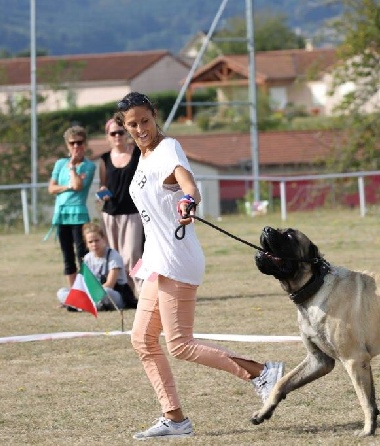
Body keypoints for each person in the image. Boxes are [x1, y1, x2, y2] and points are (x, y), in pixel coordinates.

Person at [115, 91, 284, 440]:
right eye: (132, 125)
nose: (140, 129)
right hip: (157, 263)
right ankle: (174, 418)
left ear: (154, 116)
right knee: (143, 340)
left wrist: (189, 200)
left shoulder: (168, 149)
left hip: (178, 260)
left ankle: (262, 373)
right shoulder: (142, 158)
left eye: (144, 121)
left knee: (180, 344)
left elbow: (188, 183)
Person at [96, 118, 145, 299]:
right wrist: (102, 193)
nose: (117, 136)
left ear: (127, 134)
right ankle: (121, 292)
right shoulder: (104, 159)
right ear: (108, 137)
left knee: (133, 254)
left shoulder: (138, 154)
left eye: (120, 132)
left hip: (133, 212)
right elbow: (102, 185)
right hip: (110, 214)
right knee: (114, 256)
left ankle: (139, 290)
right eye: (113, 133)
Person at [48, 125, 96, 289]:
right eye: (72, 143)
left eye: (79, 142)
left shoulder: (89, 166)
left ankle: (88, 290)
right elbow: (51, 188)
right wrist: (66, 187)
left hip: (79, 216)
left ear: (85, 144)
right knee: (67, 256)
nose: (76, 146)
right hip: (61, 215)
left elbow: (77, 186)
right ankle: (74, 293)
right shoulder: (60, 163)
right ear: (67, 145)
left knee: (83, 256)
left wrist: (73, 167)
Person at [57, 223, 136, 311]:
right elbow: (84, 283)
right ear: (86, 244)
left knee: (106, 292)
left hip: (113, 293)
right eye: (90, 242)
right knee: (62, 292)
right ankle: (87, 304)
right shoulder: (87, 258)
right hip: (92, 294)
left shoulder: (113, 255)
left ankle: (82, 305)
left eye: (97, 240)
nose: (94, 244)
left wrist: (91, 294)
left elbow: (110, 284)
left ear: (104, 239)